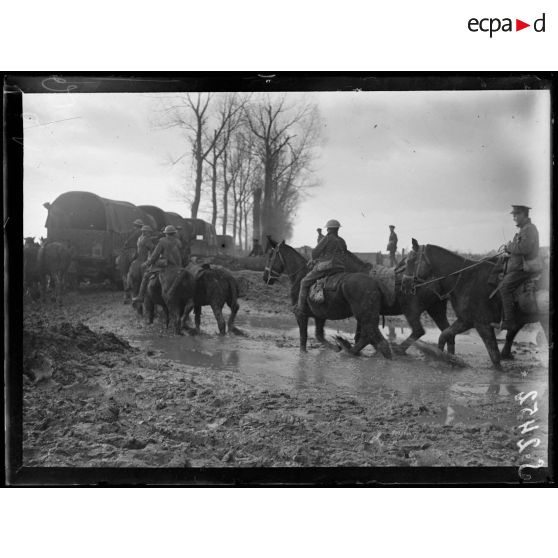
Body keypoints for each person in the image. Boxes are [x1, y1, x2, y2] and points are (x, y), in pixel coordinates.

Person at [493, 205, 540, 331]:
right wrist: (510, 251)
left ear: (524, 215)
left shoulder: (529, 229)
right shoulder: (524, 229)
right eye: (513, 215)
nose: (514, 218)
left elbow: (525, 248)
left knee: (505, 288)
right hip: (520, 266)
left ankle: (509, 322)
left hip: (526, 268)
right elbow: (520, 249)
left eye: (516, 215)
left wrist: (510, 247)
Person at [294, 219, 347, 317]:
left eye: (327, 229)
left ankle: (300, 309)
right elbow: (345, 253)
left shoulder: (327, 238)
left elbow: (315, 253)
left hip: (326, 267)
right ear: (337, 229)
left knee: (304, 282)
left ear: (328, 229)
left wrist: (316, 259)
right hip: (340, 267)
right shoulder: (341, 240)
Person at [132, 225, 183, 303]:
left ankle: (141, 296)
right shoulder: (178, 242)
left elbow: (154, 256)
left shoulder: (162, 241)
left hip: (167, 266)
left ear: (166, 233)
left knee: (146, 275)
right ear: (174, 233)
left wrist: (147, 263)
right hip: (178, 266)